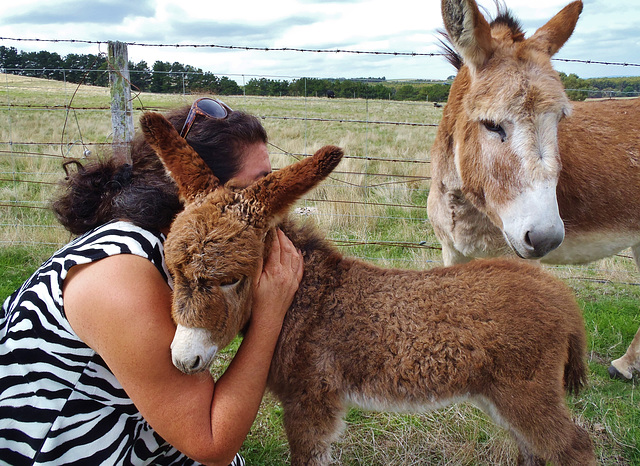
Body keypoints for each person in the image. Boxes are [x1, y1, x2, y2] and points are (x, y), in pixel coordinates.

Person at [0, 99, 304, 465]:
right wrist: (271, 314)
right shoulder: (119, 275)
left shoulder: (172, 242)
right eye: (258, 186)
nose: (270, 198)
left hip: (137, 427)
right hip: (69, 446)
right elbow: (212, 442)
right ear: (194, 184)